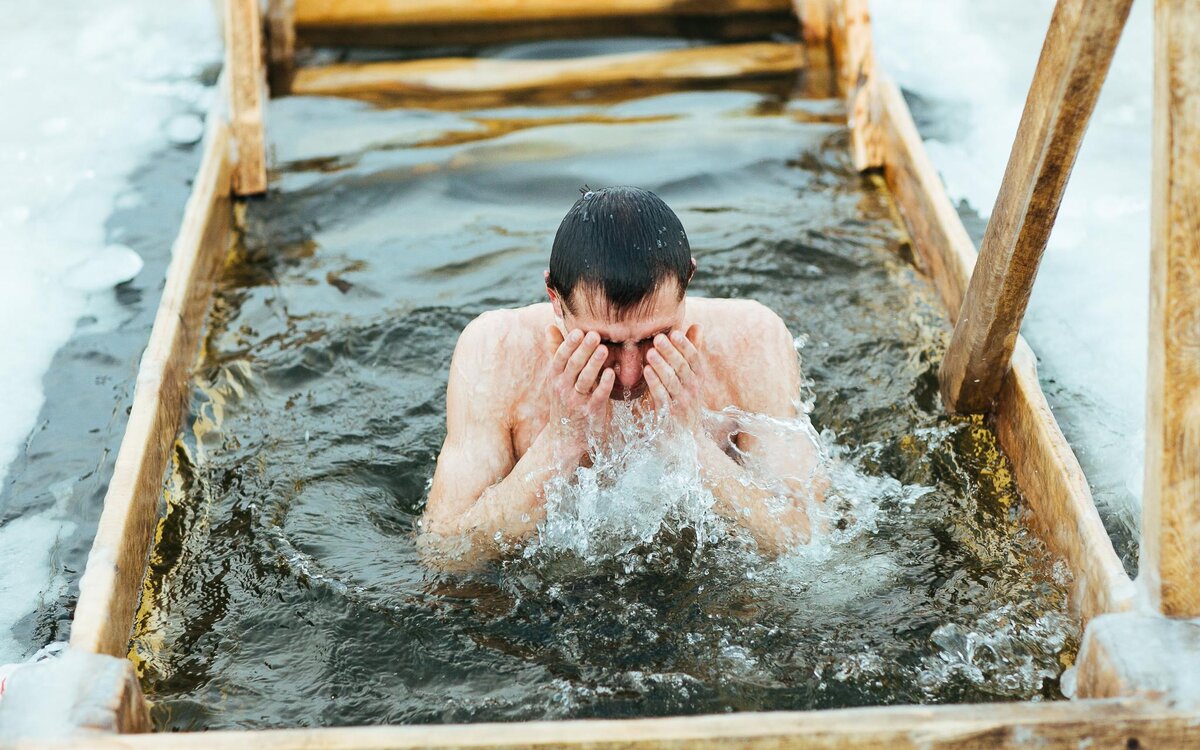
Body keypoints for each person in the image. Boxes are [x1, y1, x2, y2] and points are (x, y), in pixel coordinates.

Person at [420, 186, 825, 567]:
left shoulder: (751, 341)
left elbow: (808, 541)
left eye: (655, 338)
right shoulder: (496, 350)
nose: (630, 375)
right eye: (603, 343)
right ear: (555, 299)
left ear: (687, 283)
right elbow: (444, 553)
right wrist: (559, 443)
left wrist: (692, 446)